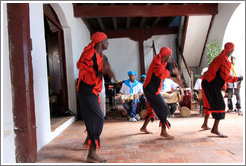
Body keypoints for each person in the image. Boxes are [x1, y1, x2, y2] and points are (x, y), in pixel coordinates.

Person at [76, 32, 115, 163]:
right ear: (100, 43)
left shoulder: (103, 57)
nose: (108, 42)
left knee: (93, 117)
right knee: (98, 117)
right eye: (106, 40)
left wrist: (108, 73)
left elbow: (105, 75)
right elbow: (88, 78)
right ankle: (91, 153)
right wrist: (102, 72)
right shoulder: (88, 55)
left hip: (95, 90)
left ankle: (88, 140)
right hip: (86, 90)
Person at [201, 42, 243, 137]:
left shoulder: (220, 57)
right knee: (220, 106)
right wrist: (238, 78)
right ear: (231, 50)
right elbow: (226, 77)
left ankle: (205, 124)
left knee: (209, 104)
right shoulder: (224, 60)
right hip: (211, 85)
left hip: (208, 83)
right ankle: (214, 129)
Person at [139, 47, 179, 139]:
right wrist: (171, 71)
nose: (169, 58)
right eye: (168, 56)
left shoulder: (162, 60)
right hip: (150, 90)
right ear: (164, 55)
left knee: (151, 110)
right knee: (164, 107)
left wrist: (171, 70)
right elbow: (161, 74)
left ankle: (143, 128)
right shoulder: (156, 62)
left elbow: (164, 71)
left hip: (152, 89)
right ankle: (163, 132)